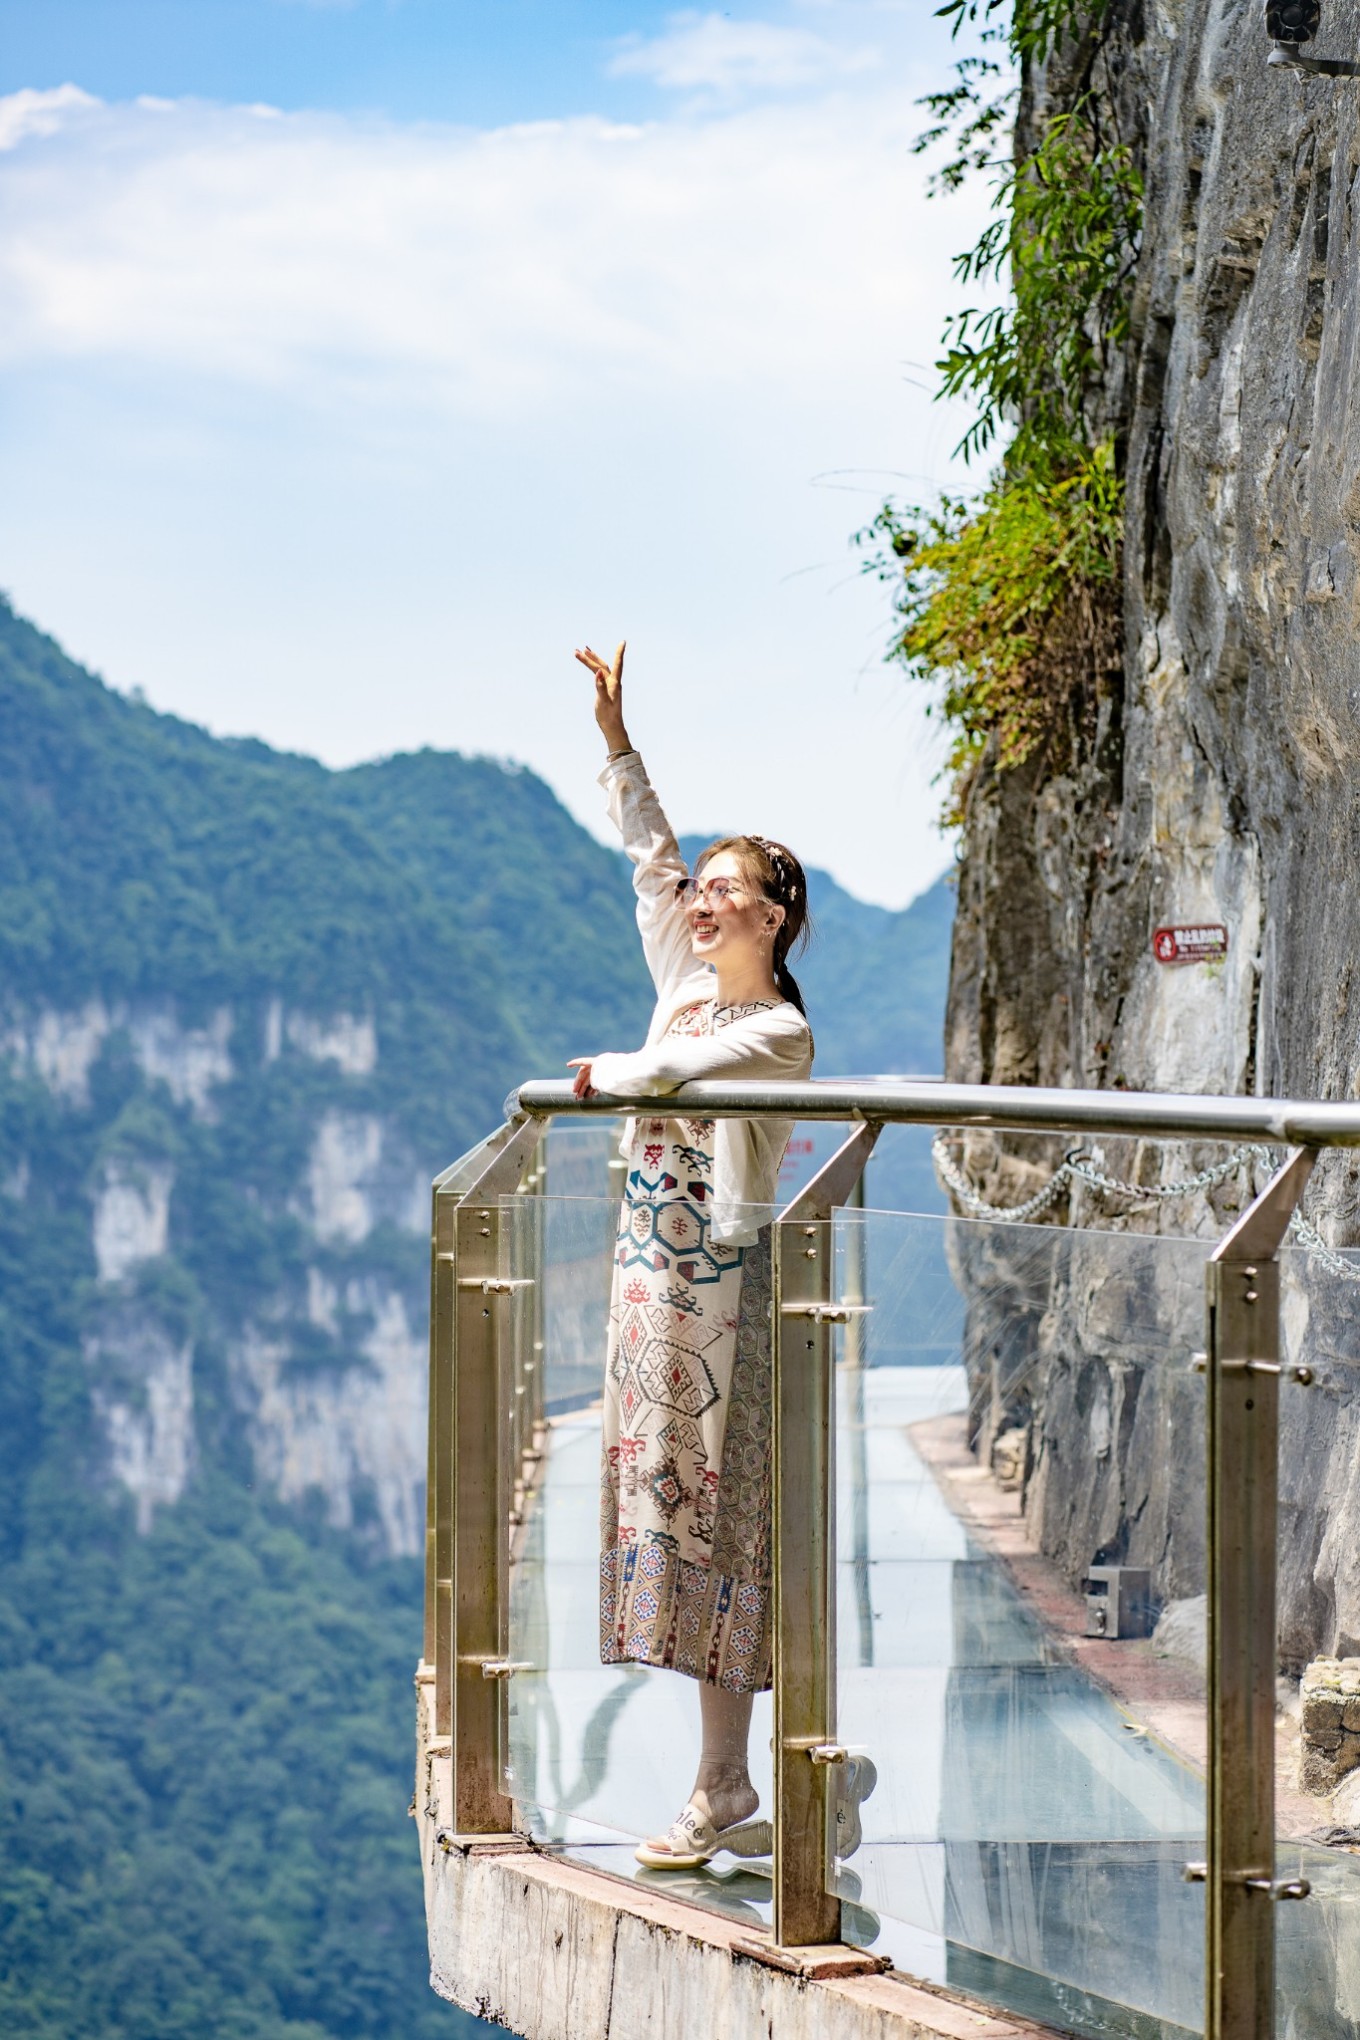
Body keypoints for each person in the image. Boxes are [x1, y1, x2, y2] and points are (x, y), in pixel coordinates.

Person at [569, 639, 814, 1871]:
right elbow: (648, 863)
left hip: (721, 1293)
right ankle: (730, 1777)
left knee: (720, 1524)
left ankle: (727, 1780)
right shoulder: (684, 983)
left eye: (726, 892)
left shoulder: (775, 1031)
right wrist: (619, 743)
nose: (701, 903)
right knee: (660, 1520)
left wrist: (603, 1075)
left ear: (773, 916)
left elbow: (667, 1076)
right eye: (702, 892)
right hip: (646, 1287)